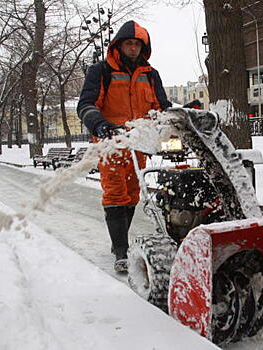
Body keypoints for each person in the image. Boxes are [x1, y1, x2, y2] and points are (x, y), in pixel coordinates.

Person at [77, 20, 171, 272]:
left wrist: (183, 114)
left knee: (132, 195)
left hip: (138, 144)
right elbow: (86, 105)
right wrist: (100, 124)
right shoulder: (101, 71)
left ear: (143, 47)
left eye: (137, 44)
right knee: (115, 193)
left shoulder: (151, 75)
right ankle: (120, 250)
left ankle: (120, 242)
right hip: (111, 143)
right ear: (119, 45)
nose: (132, 48)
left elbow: (162, 108)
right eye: (128, 43)